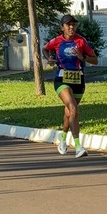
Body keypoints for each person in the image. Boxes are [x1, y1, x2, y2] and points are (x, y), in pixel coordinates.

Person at [42, 14, 98, 157]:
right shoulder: (57, 41)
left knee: (69, 112)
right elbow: (45, 48)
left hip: (78, 79)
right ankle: (78, 147)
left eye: (74, 24)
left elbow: (95, 60)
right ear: (62, 27)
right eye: (68, 25)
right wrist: (49, 59)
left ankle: (62, 138)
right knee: (73, 108)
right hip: (62, 78)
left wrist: (82, 57)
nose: (71, 27)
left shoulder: (81, 41)